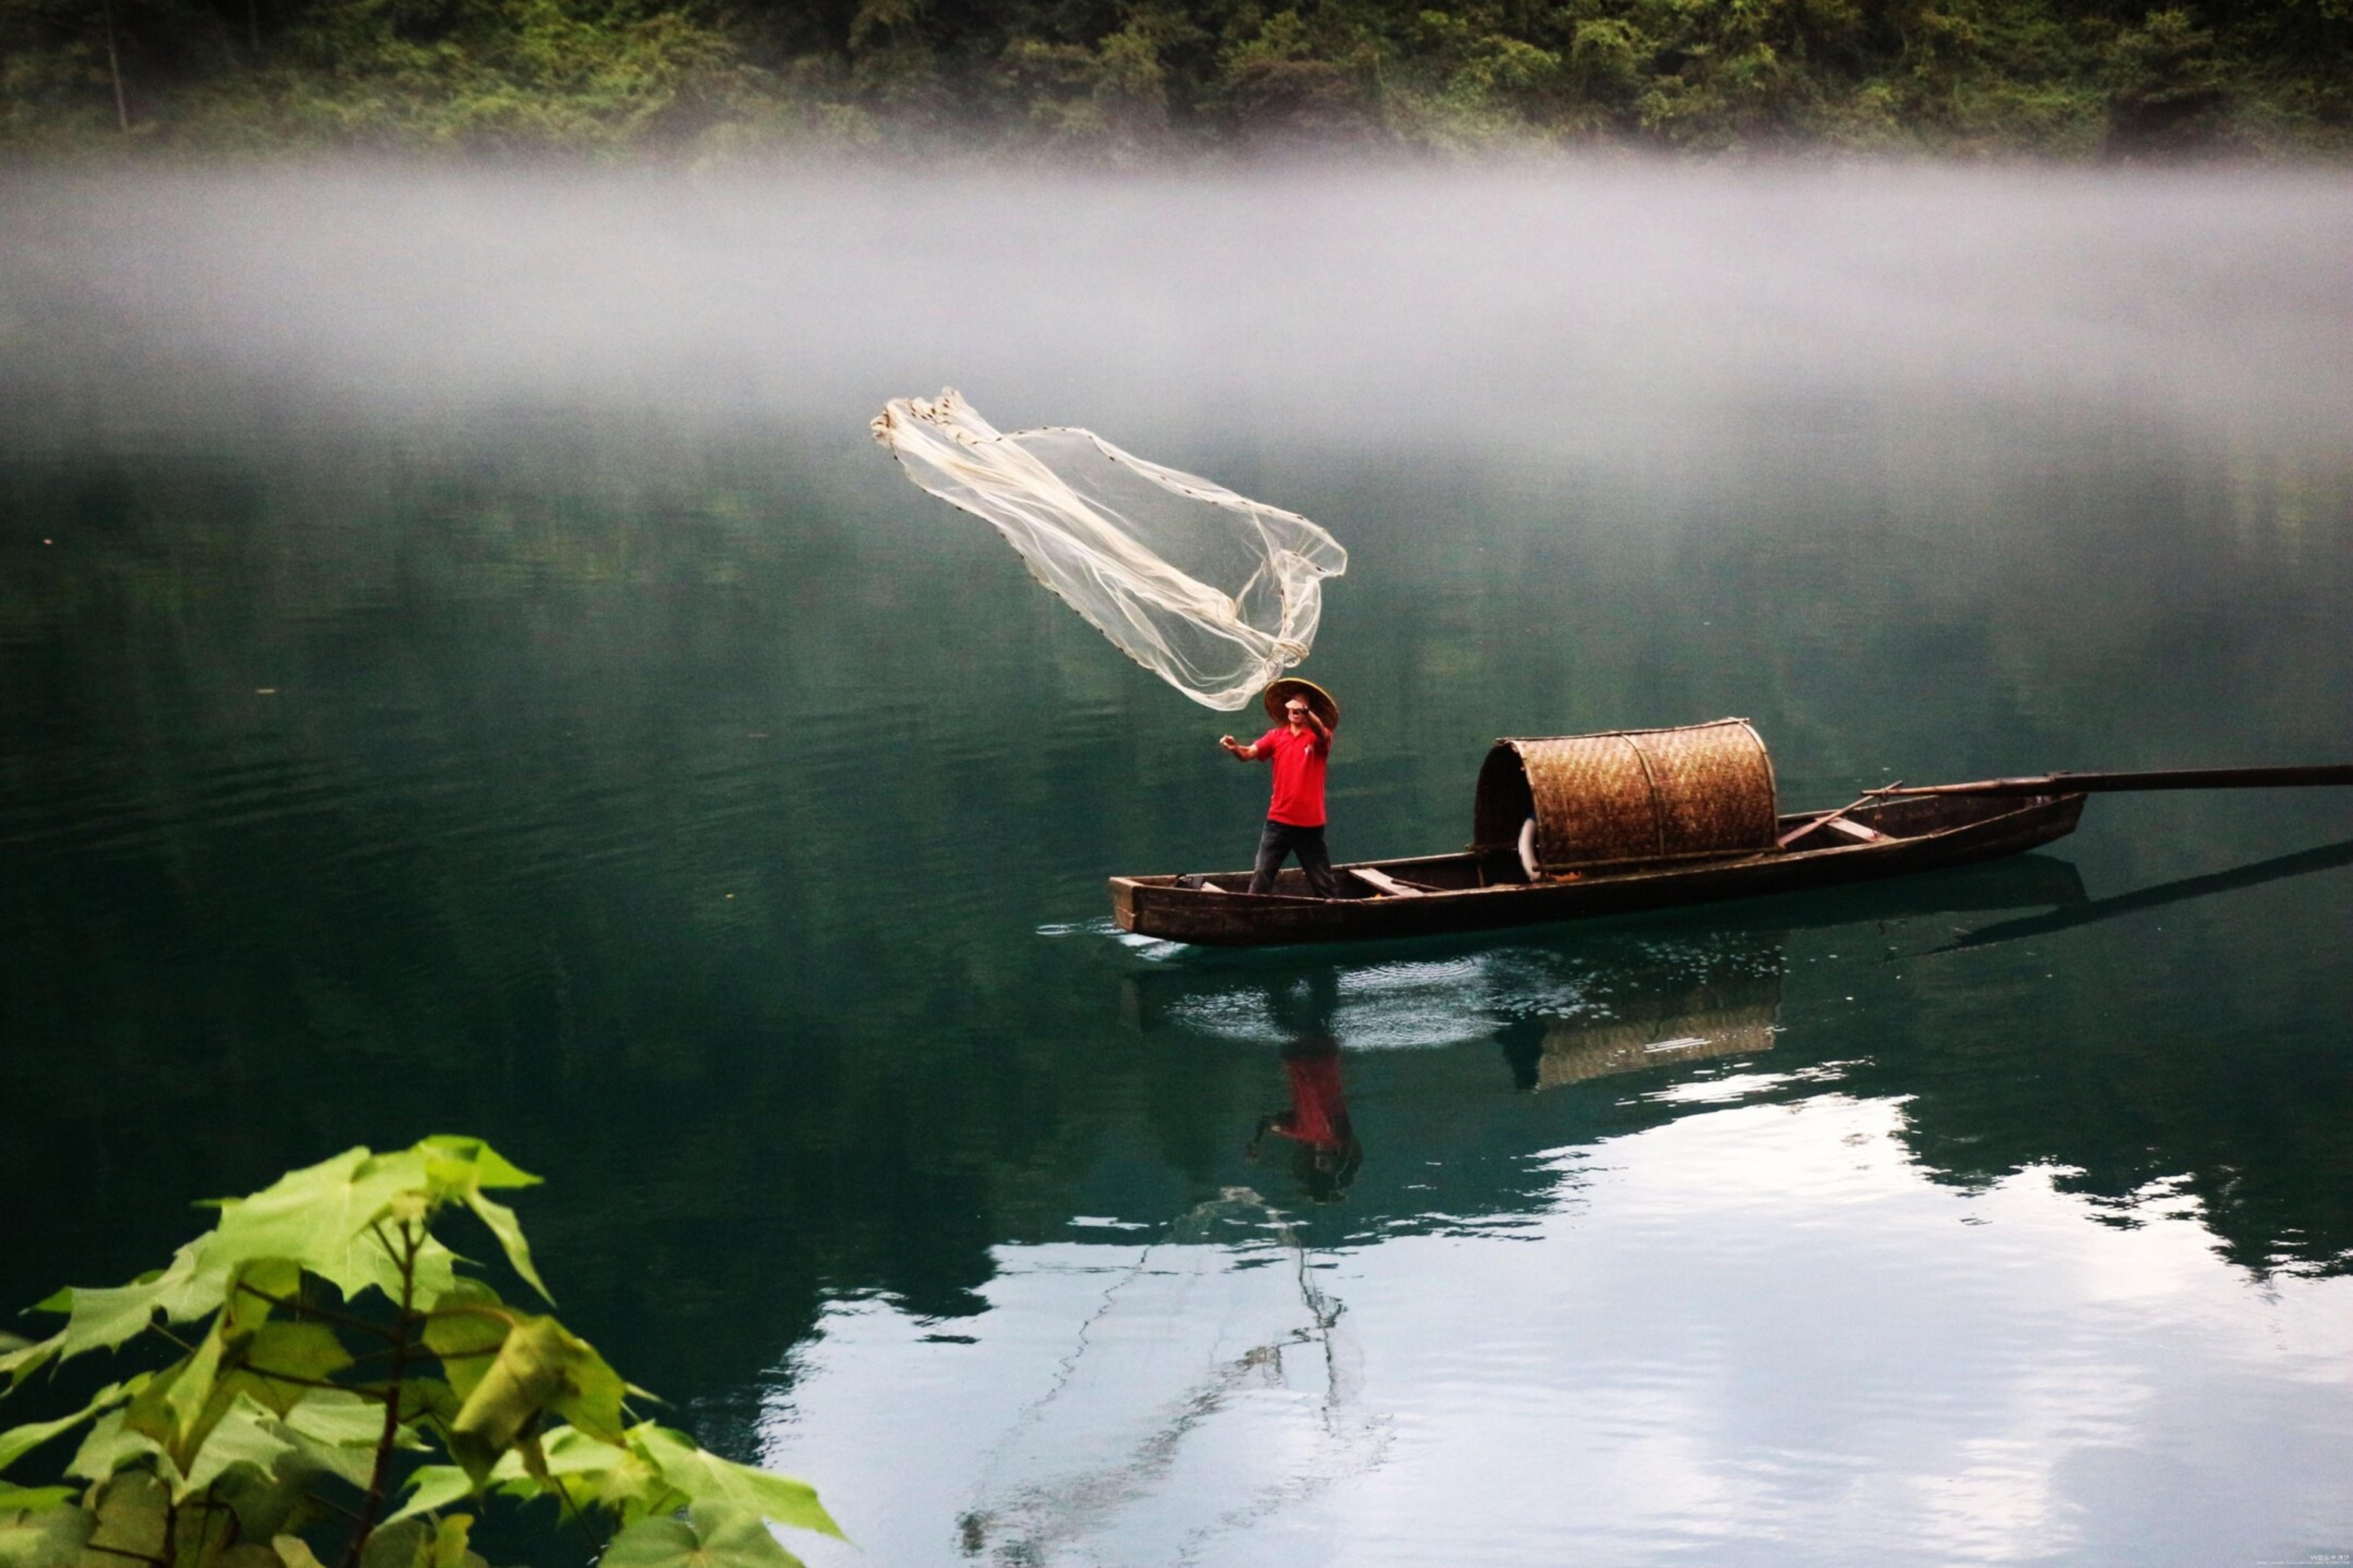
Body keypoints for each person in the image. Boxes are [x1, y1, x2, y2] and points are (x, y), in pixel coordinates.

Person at [1220, 678, 1339, 898]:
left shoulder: (1318, 738)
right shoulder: (1275, 737)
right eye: (1292, 704)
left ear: (1308, 711)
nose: (1295, 710)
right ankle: (1251, 917)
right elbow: (1248, 754)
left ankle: (1337, 918)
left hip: (1310, 826)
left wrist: (1306, 709)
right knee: (1261, 877)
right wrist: (1235, 748)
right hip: (1279, 822)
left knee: (1324, 886)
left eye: (1301, 706)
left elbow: (1322, 732)